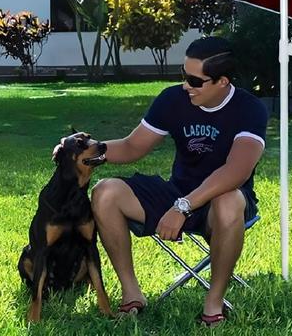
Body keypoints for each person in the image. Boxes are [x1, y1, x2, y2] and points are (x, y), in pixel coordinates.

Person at [58, 36, 268, 326]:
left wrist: (183, 207)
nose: (186, 86)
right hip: (176, 192)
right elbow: (133, 147)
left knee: (228, 199)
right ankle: (132, 294)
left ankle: (214, 302)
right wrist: (91, 152)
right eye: (184, 76)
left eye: (195, 81)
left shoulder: (249, 108)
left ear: (222, 82)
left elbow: (236, 171)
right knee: (106, 191)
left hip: (220, 203)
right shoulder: (173, 100)